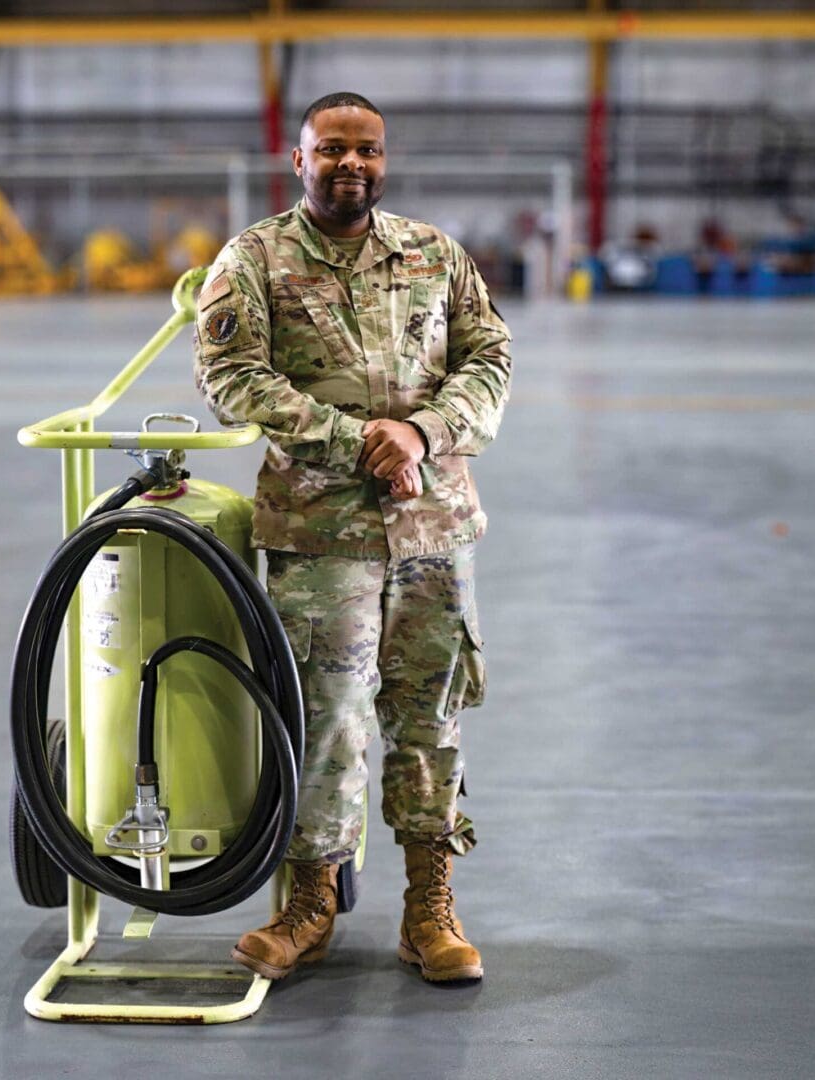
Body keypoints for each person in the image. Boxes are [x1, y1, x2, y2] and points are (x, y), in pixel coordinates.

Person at [193, 91, 512, 984]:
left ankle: (429, 910)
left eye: (366, 150)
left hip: (433, 527)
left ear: (384, 158)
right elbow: (229, 374)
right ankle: (309, 906)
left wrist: (422, 434)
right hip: (320, 531)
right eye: (331, 149)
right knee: (324, 719)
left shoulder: (434, 254)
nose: (350, 165)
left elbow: (490, 356)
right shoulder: (254, 259)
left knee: (431, 715)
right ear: (299, 161)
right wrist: (355, 441)